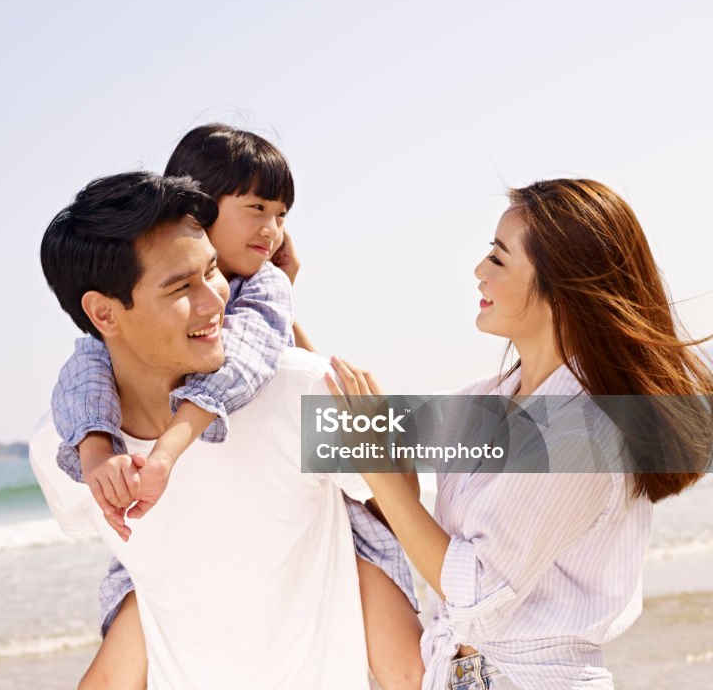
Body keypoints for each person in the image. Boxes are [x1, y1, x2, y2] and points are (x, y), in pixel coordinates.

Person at [49, 125, 421, 689]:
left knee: (406, 660)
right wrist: (97, 451)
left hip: (326, 505)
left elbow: (260, 359)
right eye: (256, 209)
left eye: (281, 214)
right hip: (180, 557)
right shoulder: (96, 361)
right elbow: (83, 371)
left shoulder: (268, 299)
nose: (272, 230)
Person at [327, 178, 713, 688]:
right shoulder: (485, 399)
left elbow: (477, 590)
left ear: (562, 290)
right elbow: (338, 438)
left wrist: (378, 467)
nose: (478, 271)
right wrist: (277, 301)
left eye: (499, 259)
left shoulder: (583, 431)